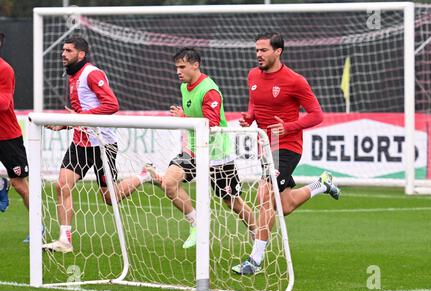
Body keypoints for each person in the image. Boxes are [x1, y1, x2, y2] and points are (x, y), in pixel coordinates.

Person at [232, 32, 341, 275]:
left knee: (264, 196)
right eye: (257, 50)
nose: (258, 54)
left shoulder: (295, 81)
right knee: (285, 205)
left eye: (263, 50)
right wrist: (250, 117)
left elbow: (317, 115)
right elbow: (254, 103)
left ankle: (255, 260)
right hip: (266, 147)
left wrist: (288, 127)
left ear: (278, 51)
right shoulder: (252, 75)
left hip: (287, 146)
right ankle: (322, 184)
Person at [43, 36, 151, 253]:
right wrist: (64, 125)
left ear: (81, 54)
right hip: (80, 143)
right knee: (62, 185)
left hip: (102, 144)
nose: (63, 54)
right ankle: (65, 239)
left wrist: (79, 117)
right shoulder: (73, 75)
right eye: (62, 50)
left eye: (68, 50)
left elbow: (112, 104)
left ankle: (144, 175)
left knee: (110, 198)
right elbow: (81, 115)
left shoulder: (92, 73)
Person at [144, 47, 256, 249]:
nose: (178, 71)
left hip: (217, 155)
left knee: (232, 202)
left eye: (182, 67)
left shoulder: (209, 90)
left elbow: (211, 125)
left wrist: (184, 119)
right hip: (195, 150)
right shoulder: (184, 87)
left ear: (195, 65)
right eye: (176, 67)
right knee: (169, 184)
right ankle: (197, 225)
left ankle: (258, 235)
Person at [0, 32, 30, 219]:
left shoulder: (5, 69)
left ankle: (38, 227)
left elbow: (4, 103)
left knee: (19, 184)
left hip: (7, 136)